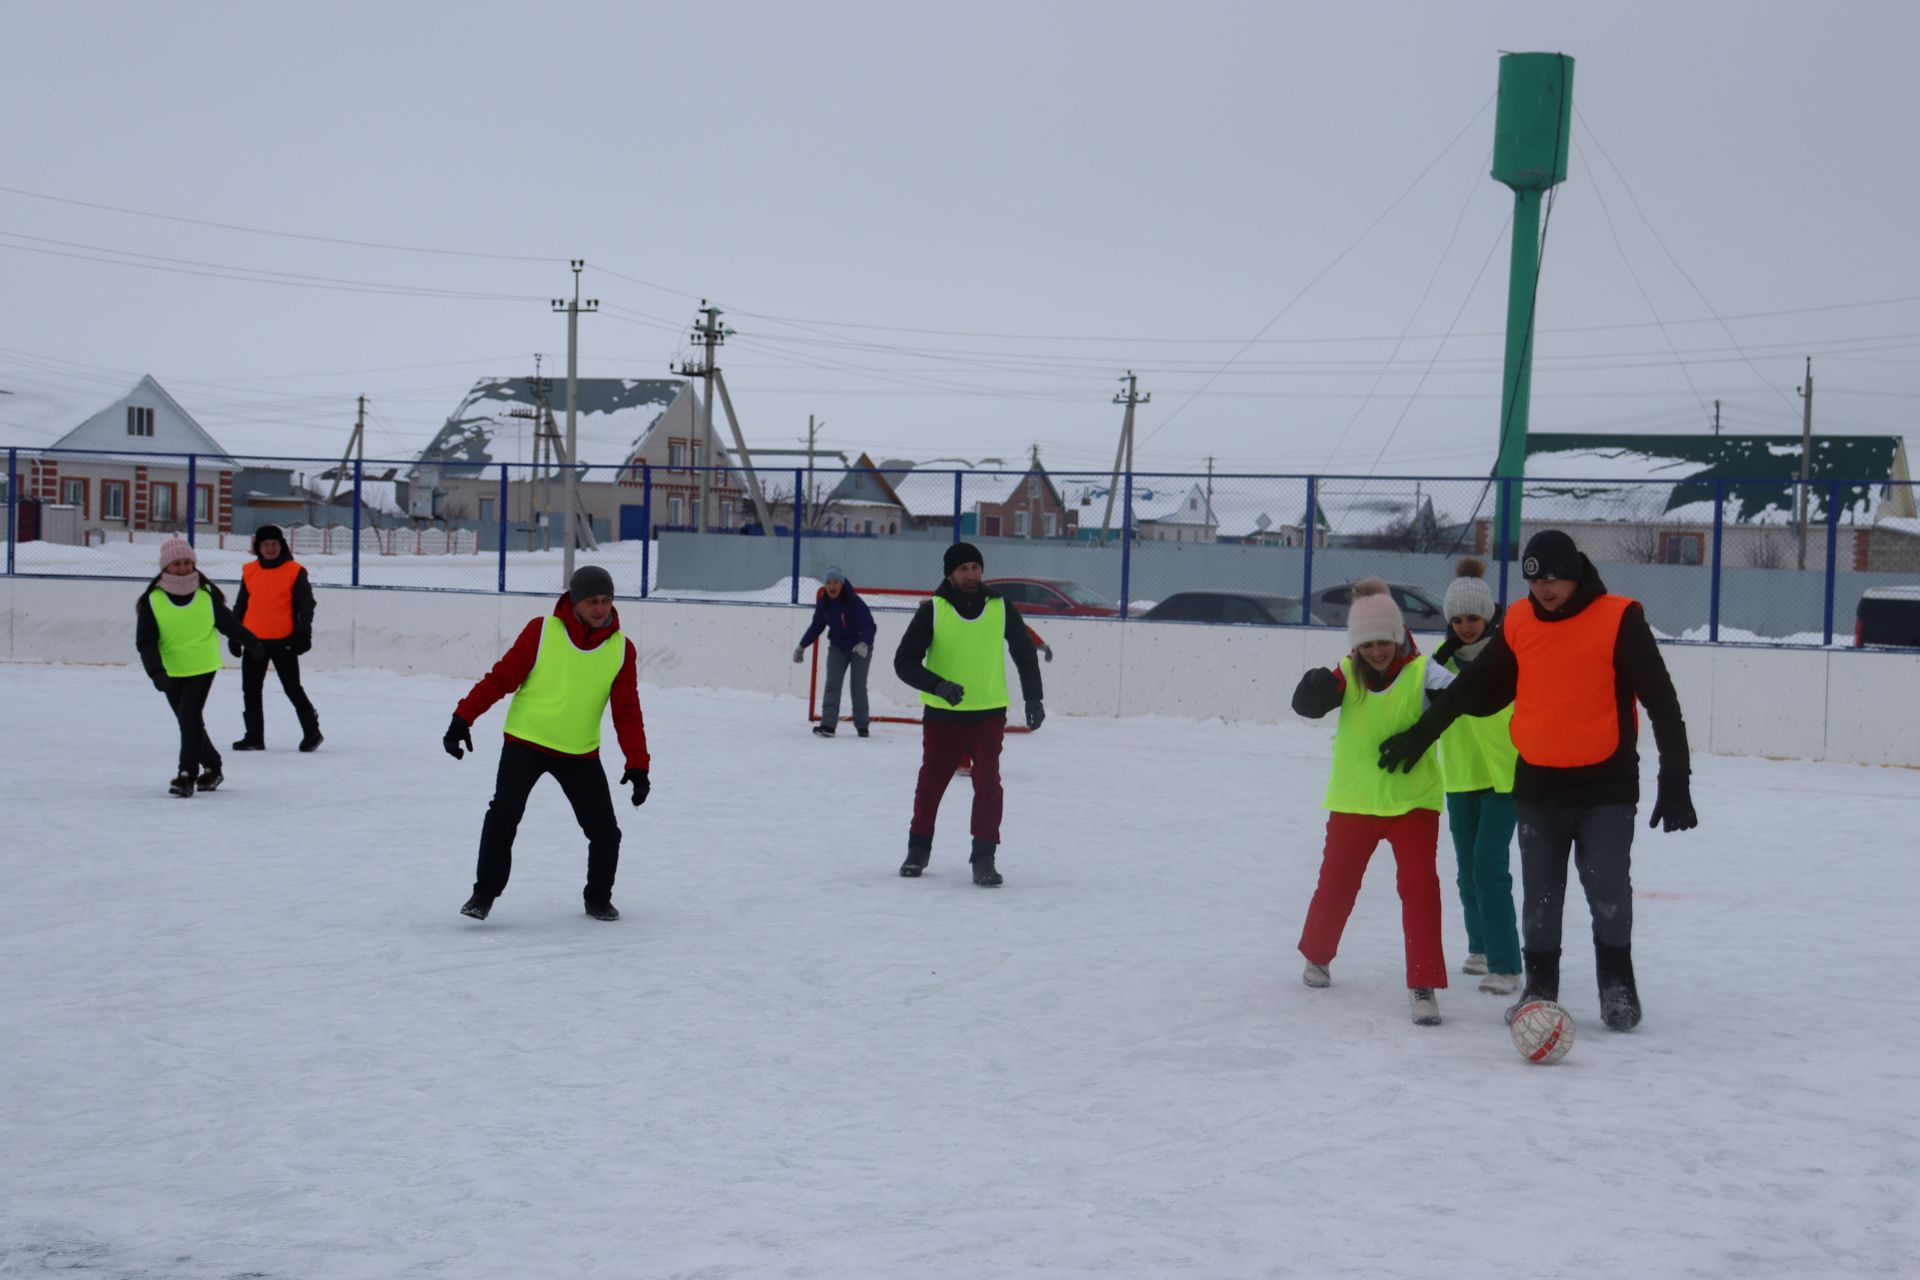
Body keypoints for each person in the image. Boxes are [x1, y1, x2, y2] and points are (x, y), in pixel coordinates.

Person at [1378, 530, 1697, 1031]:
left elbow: (1661, 700)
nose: (1542, 589)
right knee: (1540, 895)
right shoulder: (1521, 621)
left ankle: (1617, 987)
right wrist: (1421, 735)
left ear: (1574, 573)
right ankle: (1539, 987)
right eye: (1532, 579)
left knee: (1608, 890)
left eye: (1551, 577)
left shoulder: (1619, 618)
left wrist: (1675, 779)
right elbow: (1479, 690)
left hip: (1605, 785)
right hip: (1538, 783)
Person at [1290, 579, 1456, 1026]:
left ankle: (1423, 983)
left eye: (1384, 641)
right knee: (1337, 885)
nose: (1377, 652)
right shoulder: (1347, 672)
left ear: (1399, 636)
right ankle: (1318, 955)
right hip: (1354, 800)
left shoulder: (1425, 673)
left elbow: (1464, 699)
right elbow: (1307, 706)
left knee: (1420, 889)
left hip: (1412, 803)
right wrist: (1311, 689)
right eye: (1367, 644)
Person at [444, 565, 650, 922]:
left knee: (606, 833)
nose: (600, 609)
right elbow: (501, 678)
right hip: (527, 741)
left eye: (607, 601)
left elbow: (627, 711)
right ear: (573, 601)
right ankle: (483, 894)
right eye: (592, 602)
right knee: (503, 814)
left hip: (580, 752)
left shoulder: (621, 650)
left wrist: (638, 764)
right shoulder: (542, 632)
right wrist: (463, 717)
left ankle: (598, 897)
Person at [892, 542, 1044, 887]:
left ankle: (984, 857)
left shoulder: (1001, 607)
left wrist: (1034, 699)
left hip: (989, 713)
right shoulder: (933, 610)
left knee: (988, 784)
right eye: (964, 569)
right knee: (931, 782)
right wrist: (938, 685)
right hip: (944, 715)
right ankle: (918, 848)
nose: (972, 575)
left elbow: (1024, 652)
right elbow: (903, 662)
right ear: (950, 573)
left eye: (976, 567)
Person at [1430, 558, 1523, 996]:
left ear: (1489, 615)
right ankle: (1481, 946)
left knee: (1489, 866)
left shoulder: (1511, 654)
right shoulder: (1438, 664)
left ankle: (1506, 963)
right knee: (1467, 870)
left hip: (1506, 777)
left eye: (1474, 618)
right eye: (1458, 619)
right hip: (1461, 775)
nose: (1466, 627)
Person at [135, 537, 245, 797]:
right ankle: (213, 766)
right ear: (165, 567)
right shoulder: (153, 600)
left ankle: (186, 775)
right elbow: (146, 641)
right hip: (171, 670)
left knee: (188, 718)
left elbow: (228, 624)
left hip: (202, 666)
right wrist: (156, 672)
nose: (183, 568)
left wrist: (251, 642)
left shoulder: (206, 595)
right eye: (176, 563)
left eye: (187, 562)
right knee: (189, 721)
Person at [229, 523, 322, 753]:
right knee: (250, 689)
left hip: (284, 641)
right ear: (258, 547)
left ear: (282, 545)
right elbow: (241, 605)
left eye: (274, 544)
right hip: (254, 641)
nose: (270, 548)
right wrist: (234, 634)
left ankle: (312, 732)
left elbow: (305, 605)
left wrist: (303, 632)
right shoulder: (249, 571)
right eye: (265, 544)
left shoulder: (294, 571)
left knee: (292, 688)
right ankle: (254, 737)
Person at [793, 565, 877, 737]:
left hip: (860, 647)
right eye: (829, 582)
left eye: (836, 582)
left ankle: (862, 726)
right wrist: (802, 646)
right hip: (838, 646)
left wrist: (864, 642)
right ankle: (828, 725)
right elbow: (817, 626)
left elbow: (869, 625)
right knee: (832, 684)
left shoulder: (854, 602)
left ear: (842, 583)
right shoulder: (824, 603)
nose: (832, 586)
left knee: (858, 686)